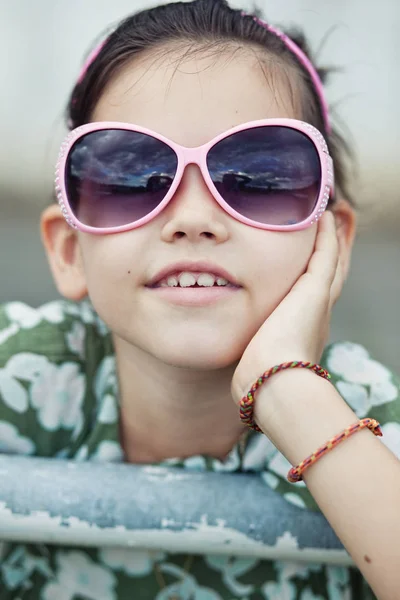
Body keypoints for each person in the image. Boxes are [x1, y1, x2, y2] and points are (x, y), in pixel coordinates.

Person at [0, 0, 399, 598]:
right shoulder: (24, 372)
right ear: (67, 250)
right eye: (133, 178)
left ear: (330, 244)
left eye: (256, 178)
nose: (191, 219)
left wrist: (288, 389)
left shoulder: (360, 418)